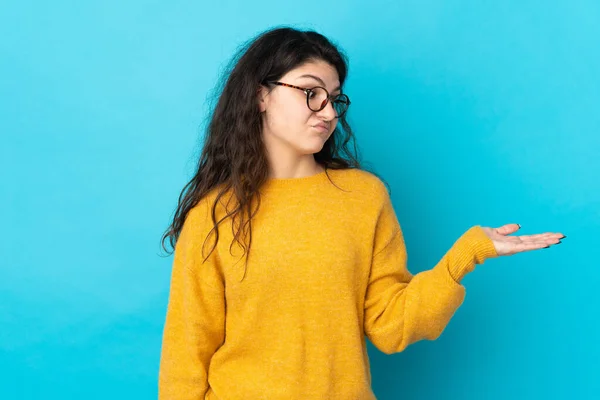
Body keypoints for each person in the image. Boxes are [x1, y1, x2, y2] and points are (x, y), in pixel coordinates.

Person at [157, 26, 565, 400]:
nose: (329, 112)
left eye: (335, 99)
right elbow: (186, 355)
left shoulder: (363, 197)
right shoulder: (215, 214)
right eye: (311, 92)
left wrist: (464, 257)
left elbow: (391, 325)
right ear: (261, 95)